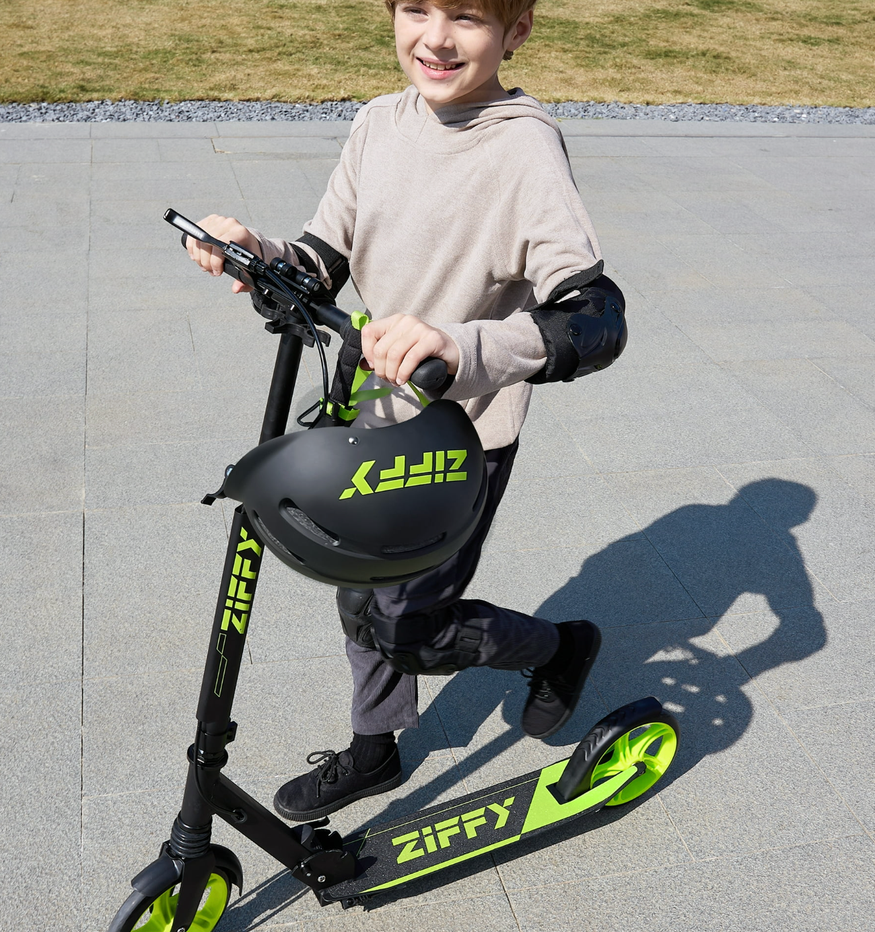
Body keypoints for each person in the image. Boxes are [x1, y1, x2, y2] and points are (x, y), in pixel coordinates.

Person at [185, 0, 627, 822]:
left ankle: (561, 647)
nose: (435, 37)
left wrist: (461, 349)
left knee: (409, 627)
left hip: (460, 438)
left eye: (465, 15)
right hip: (365, 413)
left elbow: (593, 315)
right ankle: (374, 750)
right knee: (360, 593)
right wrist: (255, 249)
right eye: (416, 8)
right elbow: (324, 255)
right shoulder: (379, 122)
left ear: (516, 29)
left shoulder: (522, 146)